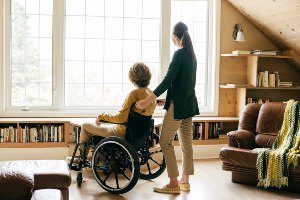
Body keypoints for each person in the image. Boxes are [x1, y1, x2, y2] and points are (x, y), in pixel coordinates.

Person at [136, 22, 199, 194]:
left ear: (175, 36)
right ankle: (185, 180)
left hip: (178, 107)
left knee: (165, 141)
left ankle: (173, 182)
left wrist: (145, 102)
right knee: (187, 143)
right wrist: (166, 98)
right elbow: (184, 85)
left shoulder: (179, 54)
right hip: (189, 105)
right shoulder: (192, 56)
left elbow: (167, 81)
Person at [80, 62, 156, 143]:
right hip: (137, 135)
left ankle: (80, 155)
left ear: (132, 77)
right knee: (105, 126)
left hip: (122, 133)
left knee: (85, 126)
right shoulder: (151, 94)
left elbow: (120, 118)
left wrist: (101, 116)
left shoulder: (134, 93)